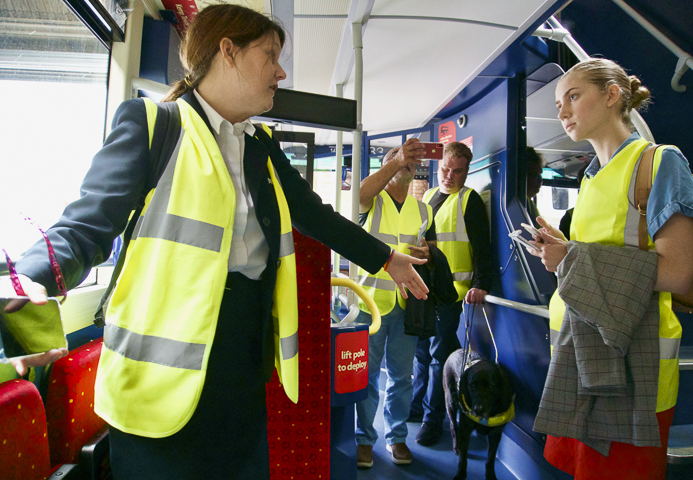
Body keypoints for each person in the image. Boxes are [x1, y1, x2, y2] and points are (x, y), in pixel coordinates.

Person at [1, 5, 429, 479]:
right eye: (270, 55)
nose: (280, 72)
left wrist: (386, 258)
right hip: (159, 375)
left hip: (243, 362)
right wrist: (29, 279)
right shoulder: (154, 126)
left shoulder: (261, 147)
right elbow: (85, 227)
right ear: (228, 51)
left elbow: (315, 217)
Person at [527, 58, 693, 479]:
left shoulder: (660, 162)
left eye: (573, 96)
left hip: (632, 371)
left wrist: (570, 258)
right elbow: (596, 261)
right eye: (557, 104)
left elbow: (678, 272)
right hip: (581, 360)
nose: (563, 111)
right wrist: (563, 252)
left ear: (611, 95)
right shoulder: (588, 179)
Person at [355, 139, 436, 468]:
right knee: (368, 376)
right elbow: (360, 193)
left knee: (403, 377)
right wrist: (394, 160)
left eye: (408, 160)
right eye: (397, 159)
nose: (405, 163)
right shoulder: (372, 200)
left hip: (407, 307)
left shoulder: (424, 210)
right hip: (370, 303)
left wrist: (427, 255)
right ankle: (364, 438)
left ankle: (397, 437)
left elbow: (424, 252)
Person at [409, 141, 492, 446]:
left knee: (436, 358)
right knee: (420, 354)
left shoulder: (469, 201)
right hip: (424, 289)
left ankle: (433, 421)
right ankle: (416, 407)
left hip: (452, 294)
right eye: (445, 168)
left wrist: (481, 283)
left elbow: (483, 248)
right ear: (438, 165)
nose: (449, 175)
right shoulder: (429, 195)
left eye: (458, 171)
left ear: (467, 172)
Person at [526, 146, 546, 228]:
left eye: (540, 174)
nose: (540, 180)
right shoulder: (521, 202)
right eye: (533, 175)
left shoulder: (526, 203)